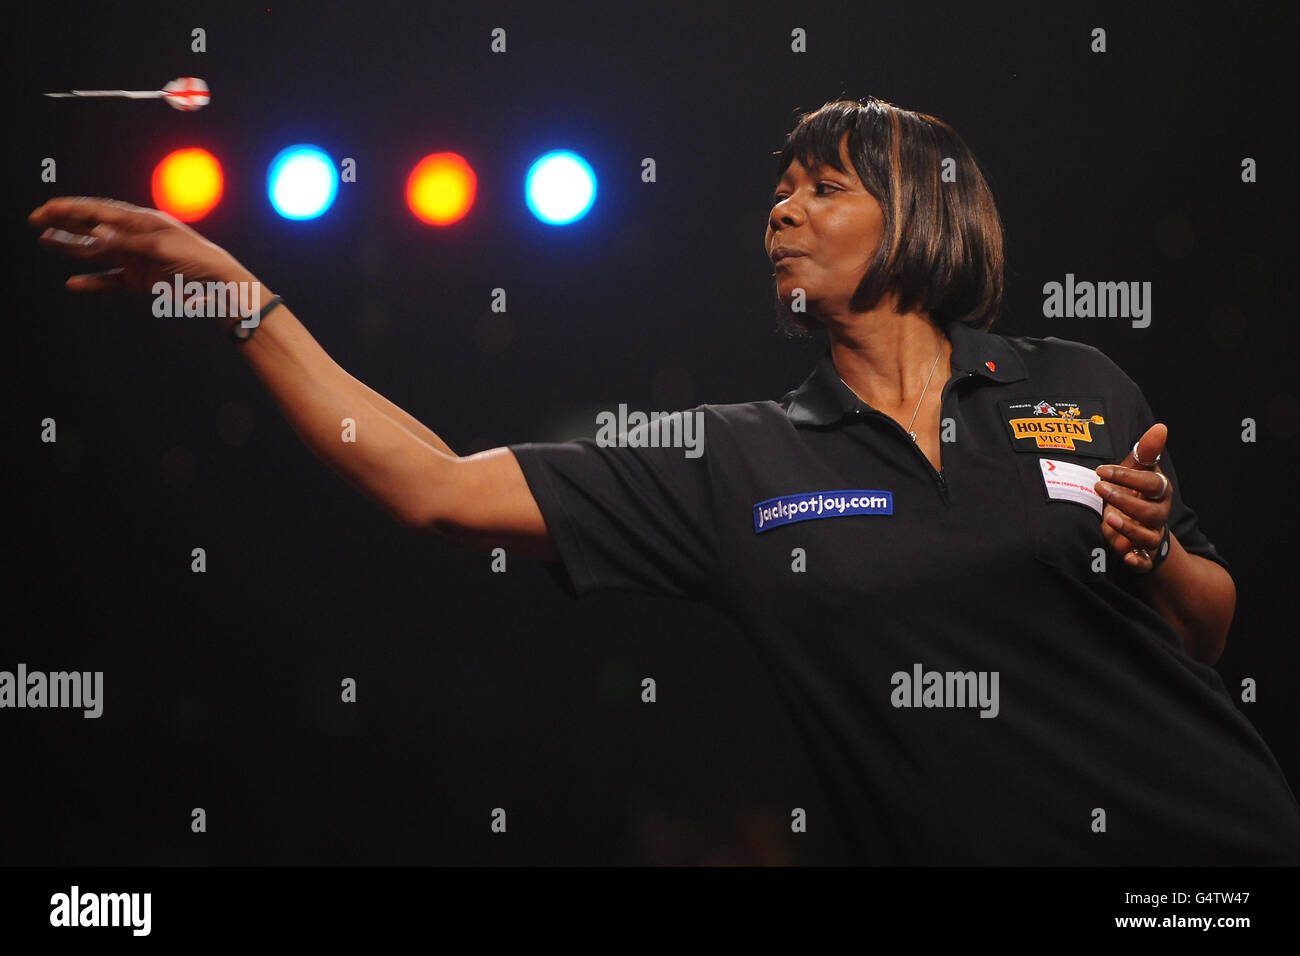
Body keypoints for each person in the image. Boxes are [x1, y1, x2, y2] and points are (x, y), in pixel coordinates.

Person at [28, 96, 1300, 865]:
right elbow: (431, 485)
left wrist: (1156, 551)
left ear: (921, 214)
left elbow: (1201, 629)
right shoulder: (732, 457)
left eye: (821, 188)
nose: (779, 215)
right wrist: (244, 298)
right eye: (775, 194)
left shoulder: (1073, 380)